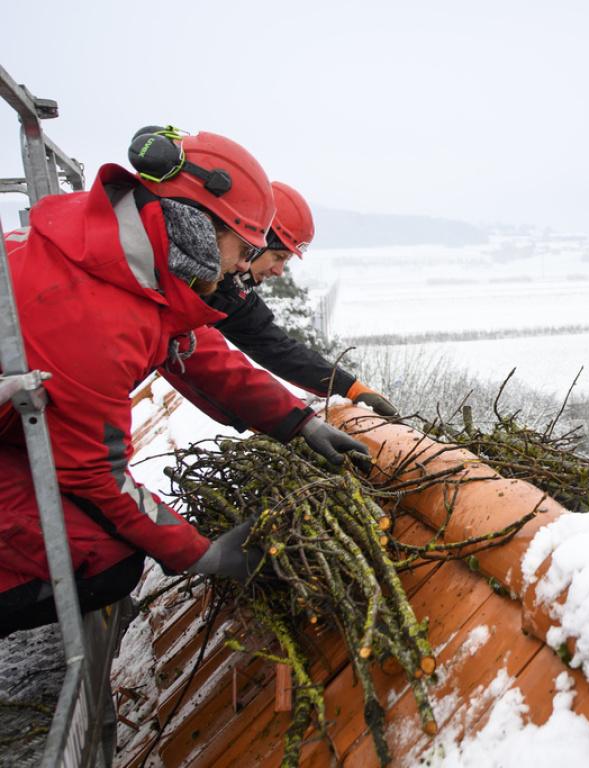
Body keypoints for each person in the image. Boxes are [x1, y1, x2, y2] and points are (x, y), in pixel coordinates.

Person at [0, 128, 368, 637]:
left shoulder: (122, 258)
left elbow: (199, 354)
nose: (245, 266)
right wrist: (201, 554)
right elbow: (96, 476)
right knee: (104, 561)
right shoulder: (94, 318)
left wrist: (299, 421)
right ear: (197, 225)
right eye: (245, 248)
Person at [206, 181, 398, 416]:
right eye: (278, 256)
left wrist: (351, 389)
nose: (279, 271)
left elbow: (278, 349)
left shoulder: (230, 293)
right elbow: (209, 364)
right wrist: (292, 420)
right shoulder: (194, 283)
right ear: (253, 243)